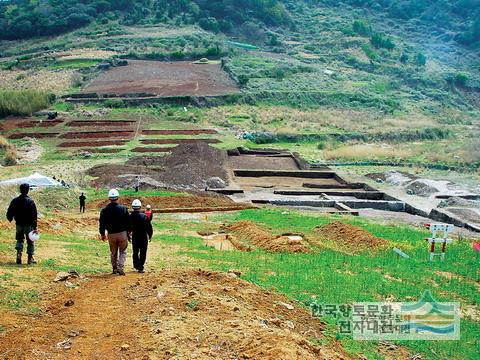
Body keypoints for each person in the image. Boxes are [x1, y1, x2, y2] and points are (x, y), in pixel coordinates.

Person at [99, 189, 130, 275]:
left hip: (111, 234)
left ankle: (114, 268)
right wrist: (129, 231)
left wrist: (102, 234)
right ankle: (120, 266)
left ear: (109, 198)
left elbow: (102, 223)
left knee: (113, 252)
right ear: (118, 198)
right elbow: (128, 221)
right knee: (123, 251)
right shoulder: (123, 209)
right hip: (122, 234)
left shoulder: (104, 210)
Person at [6, 183, 38, 265]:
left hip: (19, 224)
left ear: (20, 190)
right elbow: (34, 215)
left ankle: (19, 255)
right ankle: (30, 258)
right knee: (30, 241)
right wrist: (35, 227)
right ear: (28, 190)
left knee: (19, 239)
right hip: (29, 225)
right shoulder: (31, 201)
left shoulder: (15, 200)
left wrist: (10, 218)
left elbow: (10, 211)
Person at [129, 199, 153, 273]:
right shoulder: (144, 216)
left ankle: (136, 265)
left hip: (135, 236)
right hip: (143, 236)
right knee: (143, 251)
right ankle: (140, 267)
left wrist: (128, 235)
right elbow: (149, 227)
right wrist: (150, 235)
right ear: (140, 207)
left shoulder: (130, 216)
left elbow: (128, 227)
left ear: (132, 207)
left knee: (135, 251)